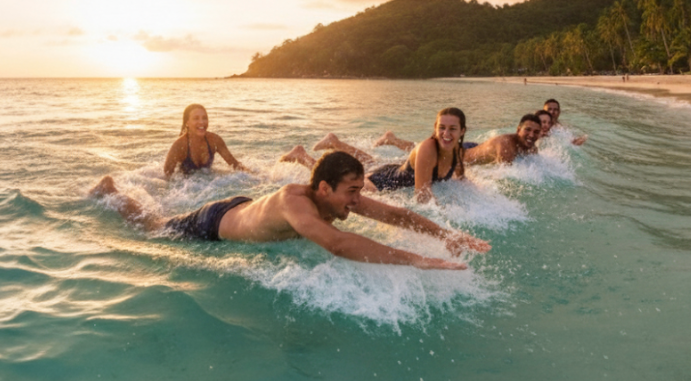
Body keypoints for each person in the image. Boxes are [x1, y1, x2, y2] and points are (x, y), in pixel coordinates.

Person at [89, 151, 490, 270]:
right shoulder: (296, 202)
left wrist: (447, 236)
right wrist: (417, 259)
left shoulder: (338, 196)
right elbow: (336, 243)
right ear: (323, 188)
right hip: (212, 224)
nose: (358, 199)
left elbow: (396, 215)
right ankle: (111, 189)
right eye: (352, 191)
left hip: (245, 210)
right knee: (151, 225)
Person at [280, 108, 468, 204]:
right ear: (434, 130)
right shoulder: (428, 148)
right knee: (340, 183)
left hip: (393, 171)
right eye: (441, 128)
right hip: (381, 183)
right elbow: (422, 197)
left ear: (462, 131)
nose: (446, 134)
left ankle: (335, 143)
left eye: (452, 129)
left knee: (369, 162)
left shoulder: (457, 151)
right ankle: (303, 157)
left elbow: (461, 178)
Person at [163, 104, 250, 177]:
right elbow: (167, 176)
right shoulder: (179, 145)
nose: (201, 122)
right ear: (187, 123)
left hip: (207, 184)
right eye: (196, 118)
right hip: (186, 187)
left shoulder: (215, 140)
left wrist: (255, 175)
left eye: (204, 118)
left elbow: (234, 164)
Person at [463, 114, 542, 165]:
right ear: (518, 130)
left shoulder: (532, 149)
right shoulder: (506, 145)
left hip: (477, 147)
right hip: (462, 155)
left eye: (536, 132)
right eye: (527, 130)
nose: (531, 135)